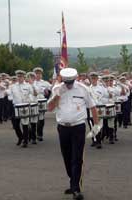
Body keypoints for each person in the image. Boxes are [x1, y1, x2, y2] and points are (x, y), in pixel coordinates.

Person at [48, 68, 99, 200]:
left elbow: (92, 107)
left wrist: (97, 125)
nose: (69, 85)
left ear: (75, 79)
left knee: (77, 157)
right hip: (63, 128)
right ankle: (73, 181)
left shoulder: (83, 89)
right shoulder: (57, 89)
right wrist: (57, 95)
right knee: (67, 157)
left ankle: (76, 188)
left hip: (78, 127)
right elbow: (50, 108)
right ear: (63, 80)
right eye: (67, 82)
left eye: (71, 82)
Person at [9, 70, 36, 148]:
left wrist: (32, 86)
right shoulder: (13, 86)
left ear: (24, 77)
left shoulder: (28, 85)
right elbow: (8, 92)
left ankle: (25, 141)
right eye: (18, 76)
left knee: (25, 124)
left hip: (25, 107)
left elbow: (34, 94)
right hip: (16, 107)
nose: (19, 78)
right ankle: (21, 137)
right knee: (15, 125)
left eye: (21, 76)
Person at [33, 67, 52, 141]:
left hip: (41, 102)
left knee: (41, 119)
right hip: (33, 102)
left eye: (39, 73)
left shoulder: (45, 83)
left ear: (41, 75)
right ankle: (33, 135)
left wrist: (48, 91)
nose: (38, 75)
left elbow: (52, 89)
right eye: (37, 73)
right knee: (33, 119)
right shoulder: (31, 82)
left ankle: (40, 134)